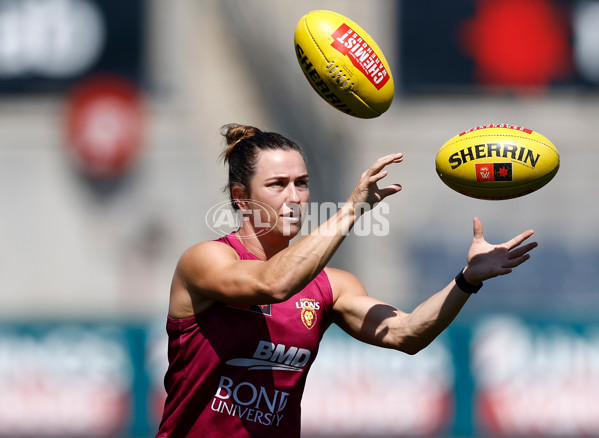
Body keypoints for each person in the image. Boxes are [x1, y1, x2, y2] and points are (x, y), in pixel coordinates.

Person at [156, 123, 537, 438]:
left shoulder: (330, 286)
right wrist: (352, 209)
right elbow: (272, 284)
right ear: (242, 198)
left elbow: (406, 333)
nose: (294, 197)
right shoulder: (204, 261)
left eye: (302, 183)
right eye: (277, 185)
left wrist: (467, 279)